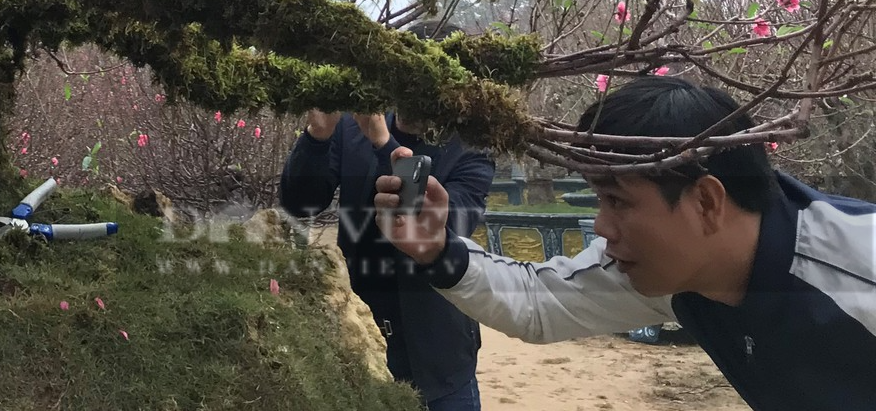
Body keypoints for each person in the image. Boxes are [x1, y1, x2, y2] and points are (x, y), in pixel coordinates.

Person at [373, 74, 876, 410]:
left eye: (618, 201)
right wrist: (438, 251)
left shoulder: (859, 265)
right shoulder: (674, 276)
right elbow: (539, 302)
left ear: (705, 202)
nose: (601, 227)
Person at [280, 60, 496, 411]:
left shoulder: (470, 148)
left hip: (438, 351)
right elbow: (300, 204)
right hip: (358, 336)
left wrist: (384, 145)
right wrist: (317, 137)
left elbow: (441, 226)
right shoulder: (352, 128)